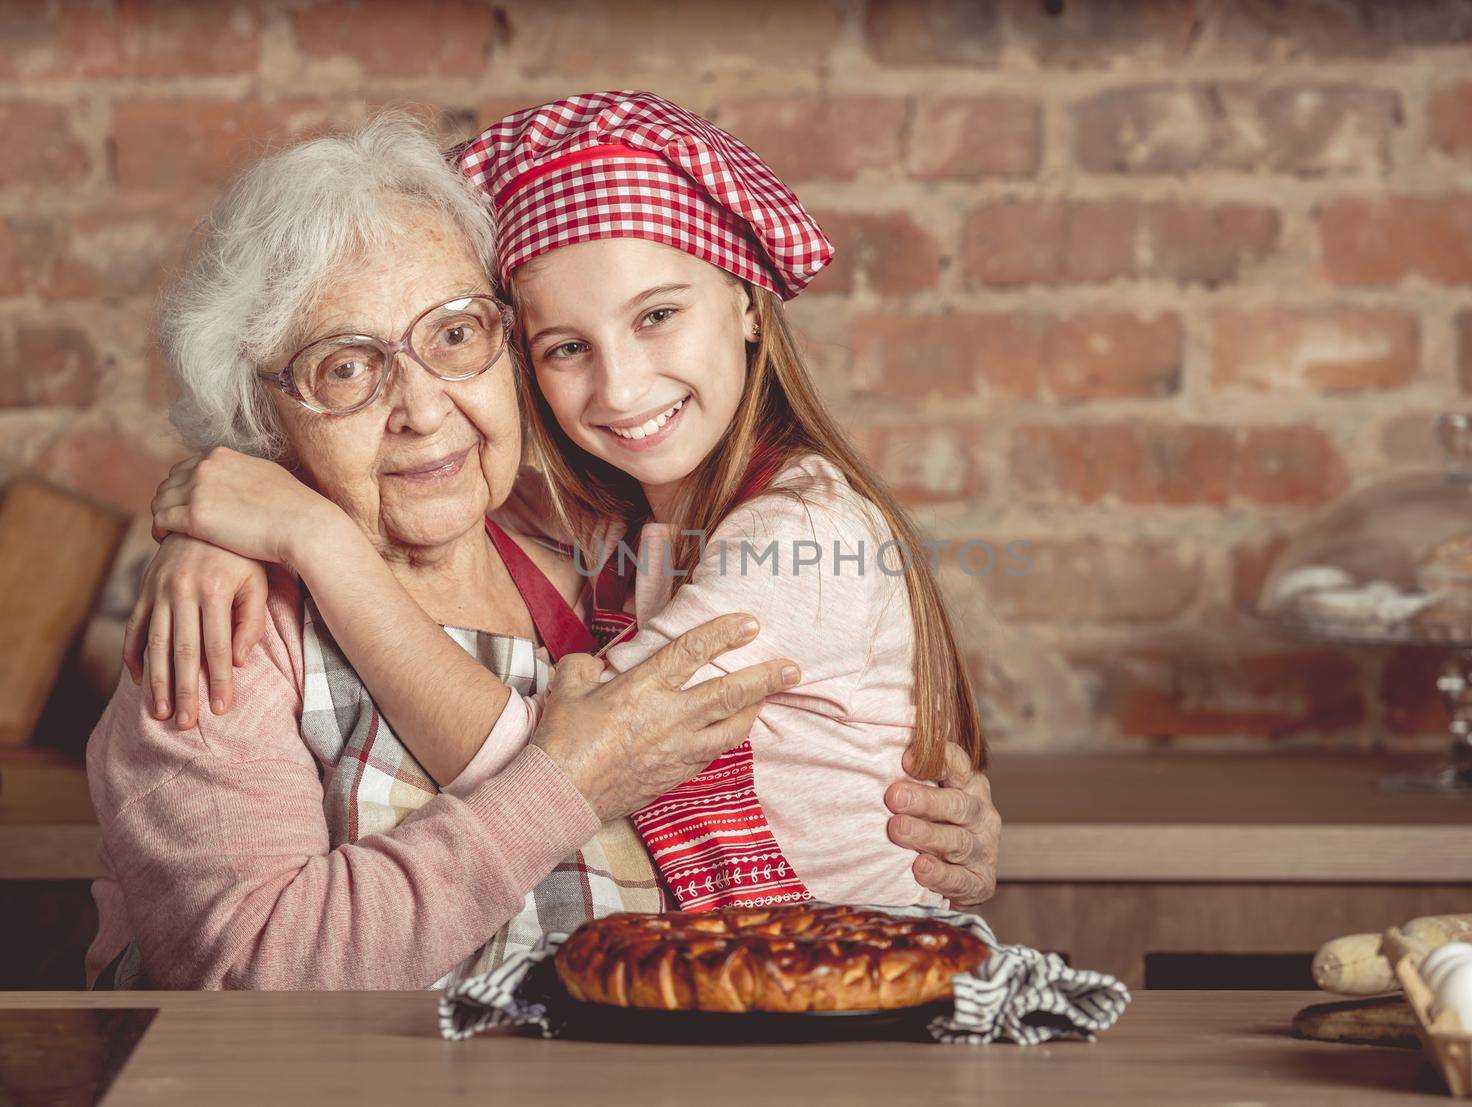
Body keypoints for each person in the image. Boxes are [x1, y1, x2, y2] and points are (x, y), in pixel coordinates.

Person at [132, 93, 998, 917]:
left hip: (844, 972)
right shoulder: (606, 524)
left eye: (658, 314)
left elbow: (568, 762)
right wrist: (222, 532)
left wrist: (314, 537)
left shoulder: (790, 536)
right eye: (567, 346)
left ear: (746, 300)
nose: (620, 384)